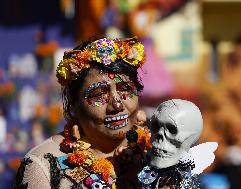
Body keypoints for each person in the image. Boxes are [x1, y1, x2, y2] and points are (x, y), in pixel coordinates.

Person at [14, 37, 152, 189]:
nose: (117, 105)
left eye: (125, 89)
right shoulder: (43, 165)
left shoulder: (161, 151)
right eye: (99, 94)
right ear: (74, 104)